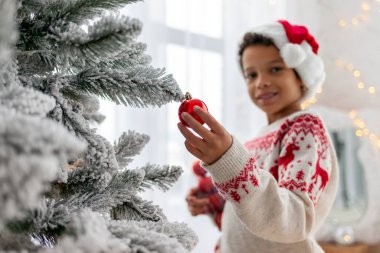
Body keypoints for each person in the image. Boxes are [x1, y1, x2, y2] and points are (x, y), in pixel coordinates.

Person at [178, 20, 339, 253]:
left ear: (301, 76)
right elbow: (254, 217)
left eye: (275, 69)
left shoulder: (305, 126)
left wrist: (228, 160)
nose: (261, 82)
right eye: (251, 74)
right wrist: (215, 205)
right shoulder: (258, 138)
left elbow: (293, 219)